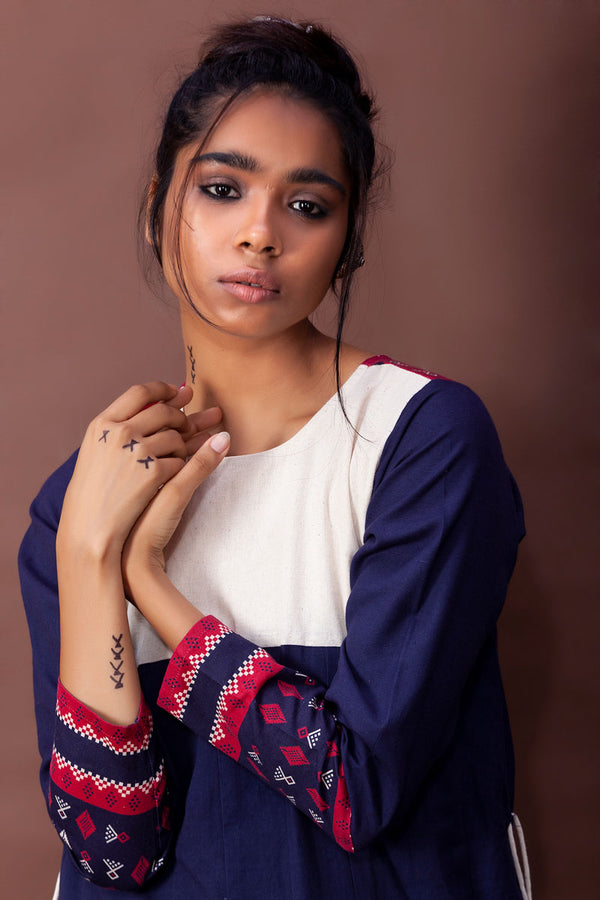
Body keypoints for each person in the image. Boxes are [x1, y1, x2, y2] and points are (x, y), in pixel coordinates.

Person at [19, 15, 531, 900]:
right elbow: (113, 854)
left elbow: (357, 790)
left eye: (306, 206)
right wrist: (89, 555)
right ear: (159, 204)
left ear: (349, 241)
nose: (260, 234)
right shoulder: (82, 501)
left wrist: (146, 580)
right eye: (222, 189)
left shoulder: (418, 440)